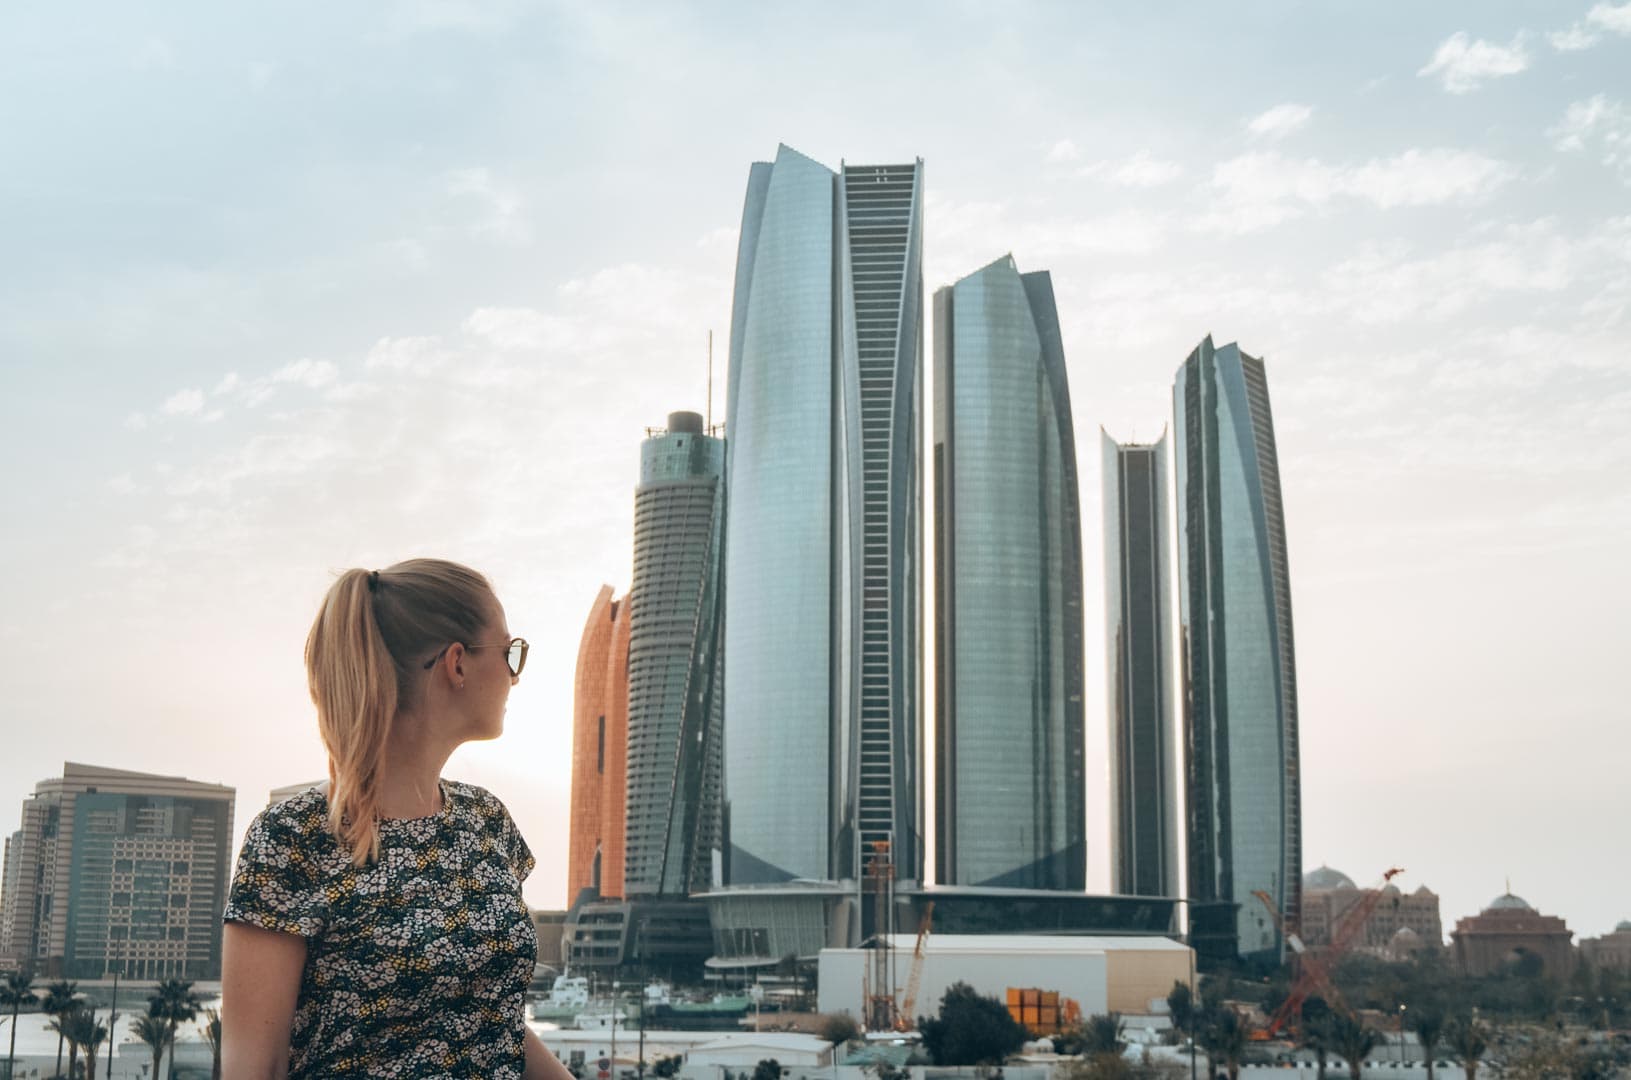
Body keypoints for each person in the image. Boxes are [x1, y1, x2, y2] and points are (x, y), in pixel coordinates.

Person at [220, 558, 573, 1079]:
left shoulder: (486, 821)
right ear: (458, 663)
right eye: (510, 652)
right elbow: (257, 1068)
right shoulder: (293, 839)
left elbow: (491, 1021)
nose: (515, 676)